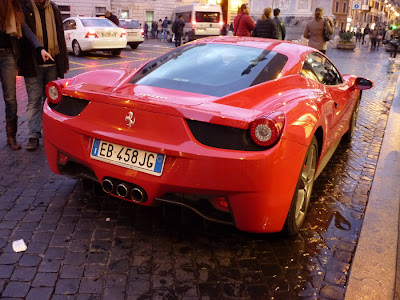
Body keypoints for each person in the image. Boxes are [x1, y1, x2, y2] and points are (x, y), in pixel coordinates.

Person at [0, 0, 52, 150]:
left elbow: (26, 30)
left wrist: (40, 48)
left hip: (8, 55)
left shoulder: (16, 6)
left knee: (10, 98)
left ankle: (11, 137)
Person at [19, 0, 69, 151]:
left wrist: (63, 63)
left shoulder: (53, 8)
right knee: (34, 101)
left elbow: (60, 36)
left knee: (52, 101)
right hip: (32, 63)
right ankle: (33, 135)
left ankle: (51, 132)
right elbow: (23, 34)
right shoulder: (25, 6)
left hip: (52, 63)